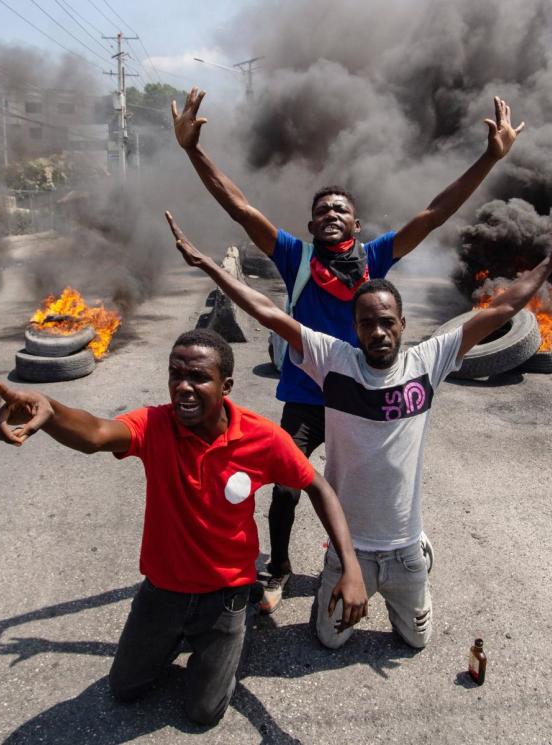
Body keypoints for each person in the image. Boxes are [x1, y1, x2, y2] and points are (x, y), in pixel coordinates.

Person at [165, 210, 552, 650]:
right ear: (354, 329)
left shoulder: (429, 361)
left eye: (386, 322)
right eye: (366, 324)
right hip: (348, 549)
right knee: (329, 640)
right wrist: (206, 264)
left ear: (402, 325)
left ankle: (421, 553)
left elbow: (506, 306)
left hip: (404, 549)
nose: (377, 332)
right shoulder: (333, 360)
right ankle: (338, 574)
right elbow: (265, 310)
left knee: (417, 641)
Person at [171, 87, 525, 614]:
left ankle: (393, 555)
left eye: (341, 208)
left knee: (376, 488)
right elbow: (241, 209)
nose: (331, 213)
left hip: (363, 398)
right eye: (322, 210)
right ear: (312, 226)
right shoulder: (295, 256)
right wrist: (192, 151)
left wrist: (489, 158)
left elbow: (433, 215)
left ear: (356, 225)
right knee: (286, 488)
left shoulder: (376, 257)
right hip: (309, 397)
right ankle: (280, 570)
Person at [0, 329, 367, 726]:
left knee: (203, 712)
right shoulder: (154, 424)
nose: (183, 386)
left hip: (226, 594)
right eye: (175, 374)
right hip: (163, 590)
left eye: (198, 377)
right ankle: (177, 637)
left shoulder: (263, 438)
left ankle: (233, 634)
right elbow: (96, 433)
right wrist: (48, 410)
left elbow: (318, 486)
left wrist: (350, 567)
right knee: (124, 689)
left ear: (226, 386)